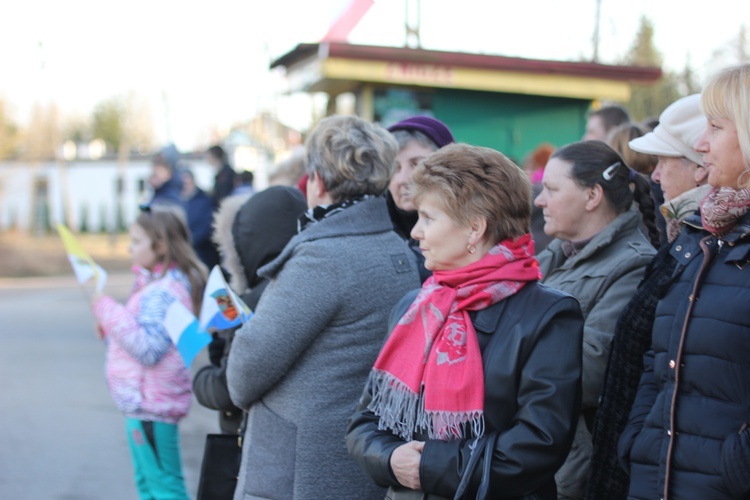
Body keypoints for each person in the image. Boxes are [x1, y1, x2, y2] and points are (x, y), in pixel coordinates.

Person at [346, 143, 584, 499]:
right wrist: (390, 458)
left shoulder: (548, 315)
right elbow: (366, 421)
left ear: (474, 229)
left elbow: (539, 443)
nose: (415, 232)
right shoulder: (416, 307)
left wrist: (428, 468)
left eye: (429, 218)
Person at [226, 115, 421, 499]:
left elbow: (245, 371)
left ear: (316, 180)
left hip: (302, 469)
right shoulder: (393, 246)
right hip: (357, 458)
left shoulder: (323, 258)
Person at [619, 64, 750, 499]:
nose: (701, 143)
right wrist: (639, 441)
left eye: (716, 127)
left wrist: (737, 466)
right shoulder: (705, 234)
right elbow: (660, 362)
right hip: (659, 479)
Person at [585, 94, 708, 500]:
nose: (653, 177)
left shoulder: (706, 247)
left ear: (700, 169)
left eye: (663, 162)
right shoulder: (685, 242)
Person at [533, 140, 659, 500]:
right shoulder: (557, 252)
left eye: (553, 190)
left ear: (592, 196)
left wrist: (504, 352)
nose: (540, 200)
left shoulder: (633, 266)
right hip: (537, 449)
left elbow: (588, 372)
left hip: (568, 466)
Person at [91, 204, 207, 500]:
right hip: (143, 404)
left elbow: (148, 349)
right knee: (149, 485)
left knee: (165, 488)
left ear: (160, 246)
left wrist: (107, 309)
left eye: (136, 241)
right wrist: (112, 330)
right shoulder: (155, 286)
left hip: (152, 406)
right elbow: (142, 337)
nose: (129, 248)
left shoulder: (164, 292)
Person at [193, 186, 307, 435]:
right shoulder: (309, 286)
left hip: (255, 440)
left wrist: (201, 379)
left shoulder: (252, 303)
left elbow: (228, 390)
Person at [386, 115, 455, 282]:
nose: (403, 179)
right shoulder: (373, 228)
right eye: (395, 168)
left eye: (416, 164)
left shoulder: (464, 236)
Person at [181, 169, 219, 269]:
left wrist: (188, 243)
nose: (185, 186)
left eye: (187, 182)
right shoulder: (180, 201)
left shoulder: (204, 201)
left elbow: (206, 227)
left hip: (202, 255)